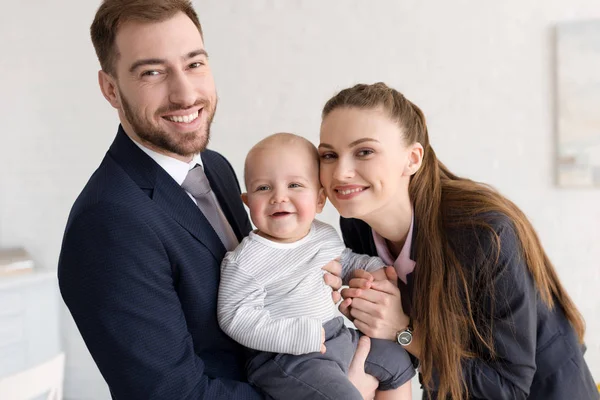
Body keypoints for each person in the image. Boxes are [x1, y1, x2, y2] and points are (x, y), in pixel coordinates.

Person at [57, 1, 371, 398]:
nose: (185, 94)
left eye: (194, 64)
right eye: (152, 72)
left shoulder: (216, 168)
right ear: (110, 89)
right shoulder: (107, 222)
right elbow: (173, 394)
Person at [317, 82, 599, 400]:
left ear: (412, 159)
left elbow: (506, 388)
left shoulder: (484, 233)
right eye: (328, 155)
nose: (340, 172)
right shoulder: (356, 224)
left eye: (364, 151)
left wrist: (402, 330)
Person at [217, 133, 415, 400]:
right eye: (263, 188)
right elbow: (235, 316)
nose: (279, 197)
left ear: (320, 200)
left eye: (295, 185)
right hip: (287, 357)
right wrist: (296, 337)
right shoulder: (245, 260)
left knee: (397, 359)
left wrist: (371, 267)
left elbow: (344, 261)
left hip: (337, 335)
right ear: (247, 202)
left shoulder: (323, 234)